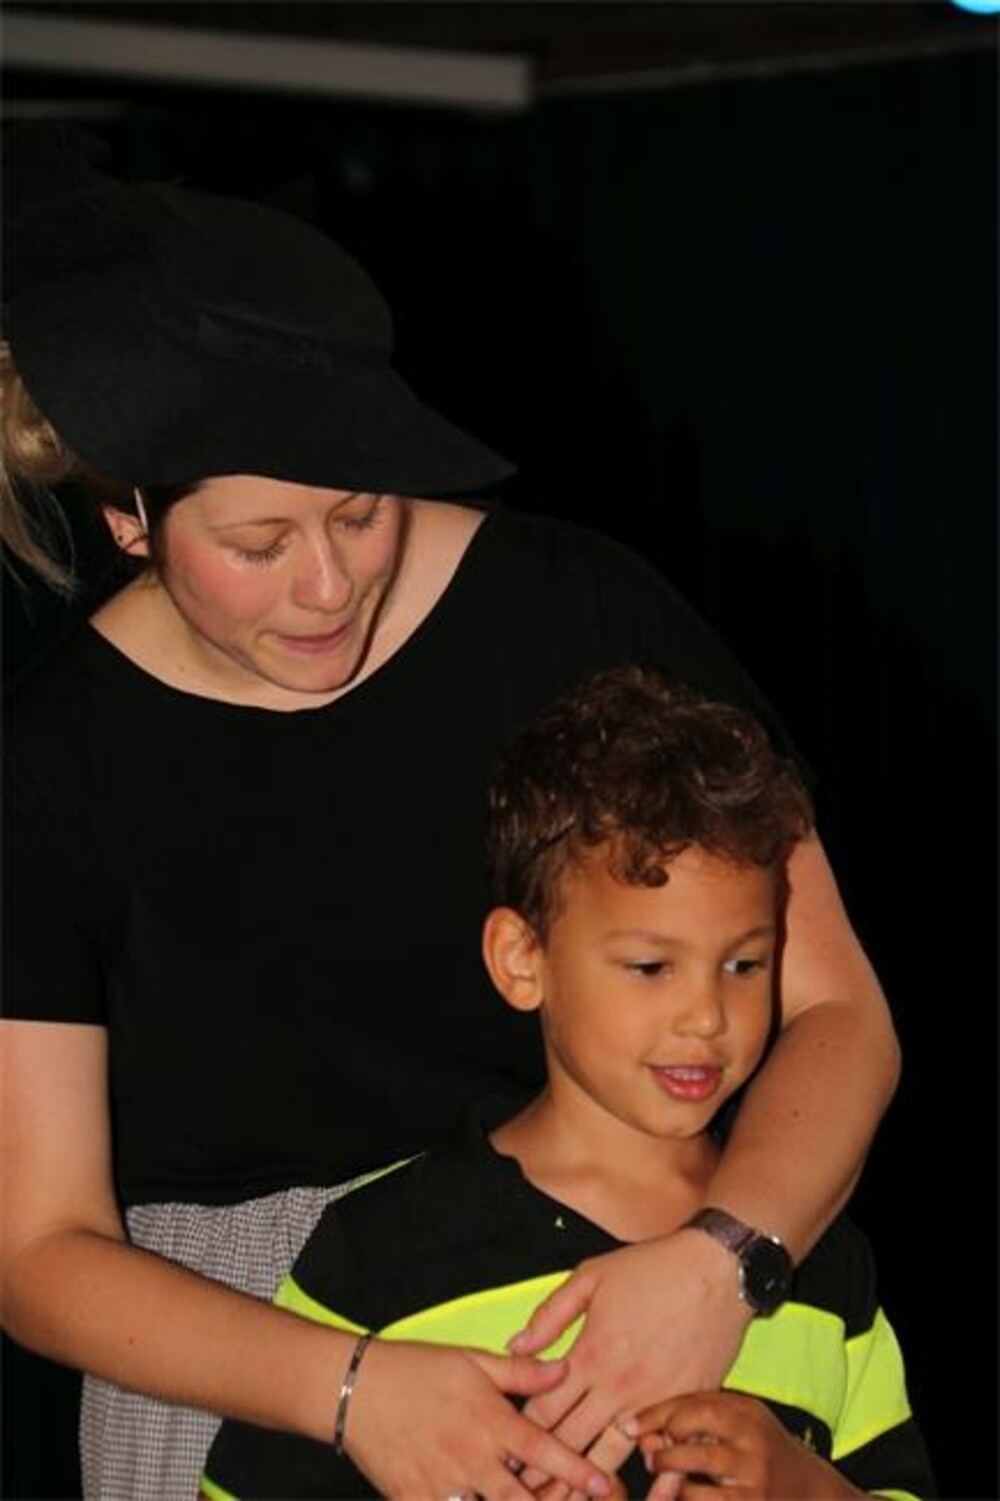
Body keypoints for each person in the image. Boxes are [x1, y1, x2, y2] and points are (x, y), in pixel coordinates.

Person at [1, 124, 899, 1501]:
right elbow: (37, 1250)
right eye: (257, 545)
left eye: (359, 514)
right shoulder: (48, 763)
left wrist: (724, 1261)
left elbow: (837, 1010)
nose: (327, 585)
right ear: (130, 520)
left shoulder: (576, 609)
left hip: (624, 1284)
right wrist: (352, 1387)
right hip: (241, 1356)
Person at [200, 668, 933, 1501]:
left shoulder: (816, 1255)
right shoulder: (383, 1244)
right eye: (651, 966)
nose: (707, 1015)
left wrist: (803, 1486)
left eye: (745, 964)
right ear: (523, 960)